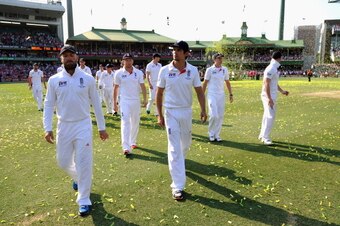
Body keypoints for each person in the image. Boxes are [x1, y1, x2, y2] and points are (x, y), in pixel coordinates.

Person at [43, 44, 109, 216]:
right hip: (63, 125)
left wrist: (102, 127)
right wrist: (47, 127)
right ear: (61, 59)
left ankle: (84, 200)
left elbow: (96, 103)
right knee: (63, 162)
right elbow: (49, 104)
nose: (69, 58)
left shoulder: (87, 78)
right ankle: (78, 178)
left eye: (72, 55)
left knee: (84, 162)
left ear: (77, 58)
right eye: (66, 56)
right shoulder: (54, 80)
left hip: (83, 125)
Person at [156, 41, 207, 200]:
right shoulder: (164, 70)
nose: (175, 53)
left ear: (186, 53)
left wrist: (204, 109)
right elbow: (159, 94)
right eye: (174, 50)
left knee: (185, 144)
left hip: (186, 111)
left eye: (178, 50)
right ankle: (177, 186)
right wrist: (159, 114)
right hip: (170, 111)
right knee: (174, 148)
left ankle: (180, 163)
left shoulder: (192, 70)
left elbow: (199, 92)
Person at [113, 53, 147, 156]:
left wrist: (145, 99)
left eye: (130, 60)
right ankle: (126, 147)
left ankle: (133, 141)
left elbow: (142, 86)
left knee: (135, 122)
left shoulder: (138, 73)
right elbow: (115, 88)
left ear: (133, 61)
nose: (128, 62)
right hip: (124, 101)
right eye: (126, 60)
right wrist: (114, 103)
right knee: (125, 122)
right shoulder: (118, 73)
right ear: (123, 61)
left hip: (135, 101)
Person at [259, 51, 289, 145]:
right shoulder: (271, 68)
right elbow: (266, 83)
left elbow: (274, 83)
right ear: (279, 58)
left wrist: (282, 91)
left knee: (267, 115)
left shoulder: (273, 68)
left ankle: (262, 135)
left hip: (271, 95)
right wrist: (269, 98)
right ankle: (265, 137)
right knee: (270, 116)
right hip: (268, 96)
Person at [202, 53, 233, 142]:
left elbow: (227, 82)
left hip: (221, 95)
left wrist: (231, 94)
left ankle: (217, 134)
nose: (221, 60)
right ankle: (211, 133)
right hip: (212, 94)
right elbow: (205, 83)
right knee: (214, 115)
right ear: (214, 59)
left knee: (220, 116)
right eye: (219, 58)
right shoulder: (210, 70)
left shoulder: (224, 69)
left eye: (221, 58)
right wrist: (202, 95)